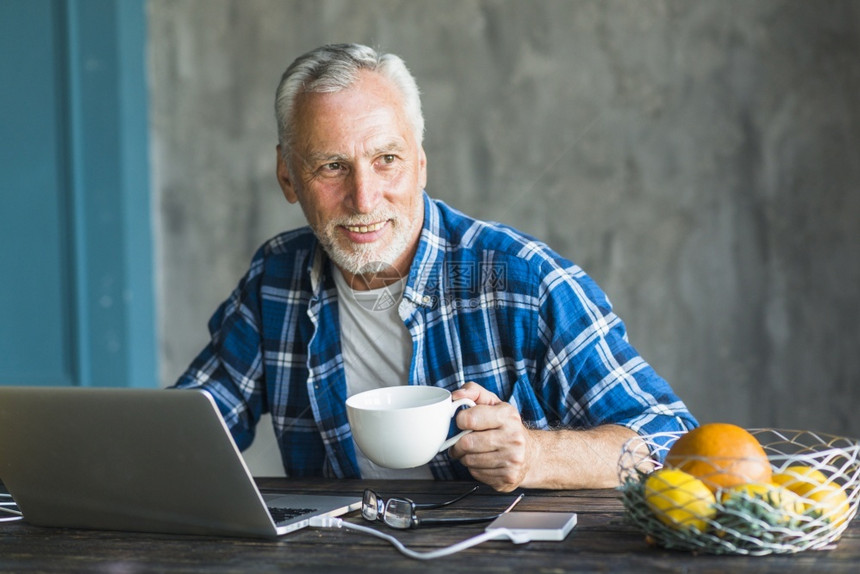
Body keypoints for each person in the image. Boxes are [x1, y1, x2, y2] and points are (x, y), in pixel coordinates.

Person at [173, 43, 698, 492]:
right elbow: (188, 432)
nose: (363, 197)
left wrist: (535, 456)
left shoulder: (526, 282)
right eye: (332, 167)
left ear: (421, 163)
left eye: (387, 159)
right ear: (288, 177)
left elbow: (674, 442)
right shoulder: (276, 279)